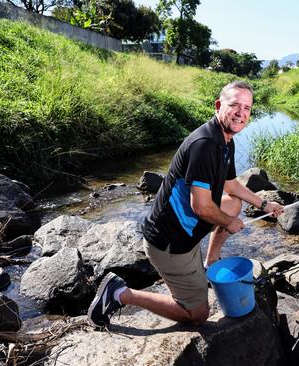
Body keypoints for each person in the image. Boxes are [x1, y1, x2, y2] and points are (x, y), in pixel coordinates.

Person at [88, 80, 284, 327]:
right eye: (235, 105)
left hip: (189, 234)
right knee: (198, 315)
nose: (241, 113)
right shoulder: (204, 146)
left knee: (233, 202)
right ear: (218, 105)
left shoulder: (225, 141)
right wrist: (229, 223)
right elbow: (201, 207)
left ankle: (210, 262)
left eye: (247, 108)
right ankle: (119, 293)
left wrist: (264, 203)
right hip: (171, 243)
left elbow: (230, 185)